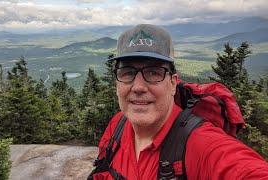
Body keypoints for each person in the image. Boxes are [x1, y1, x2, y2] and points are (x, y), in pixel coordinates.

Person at [90, 24, 268, 179]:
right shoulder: (117, 126)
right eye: (127, 72)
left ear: (173, 83)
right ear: (116, 83)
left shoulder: (200, 144)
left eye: (154, 72)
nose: (138, 87)